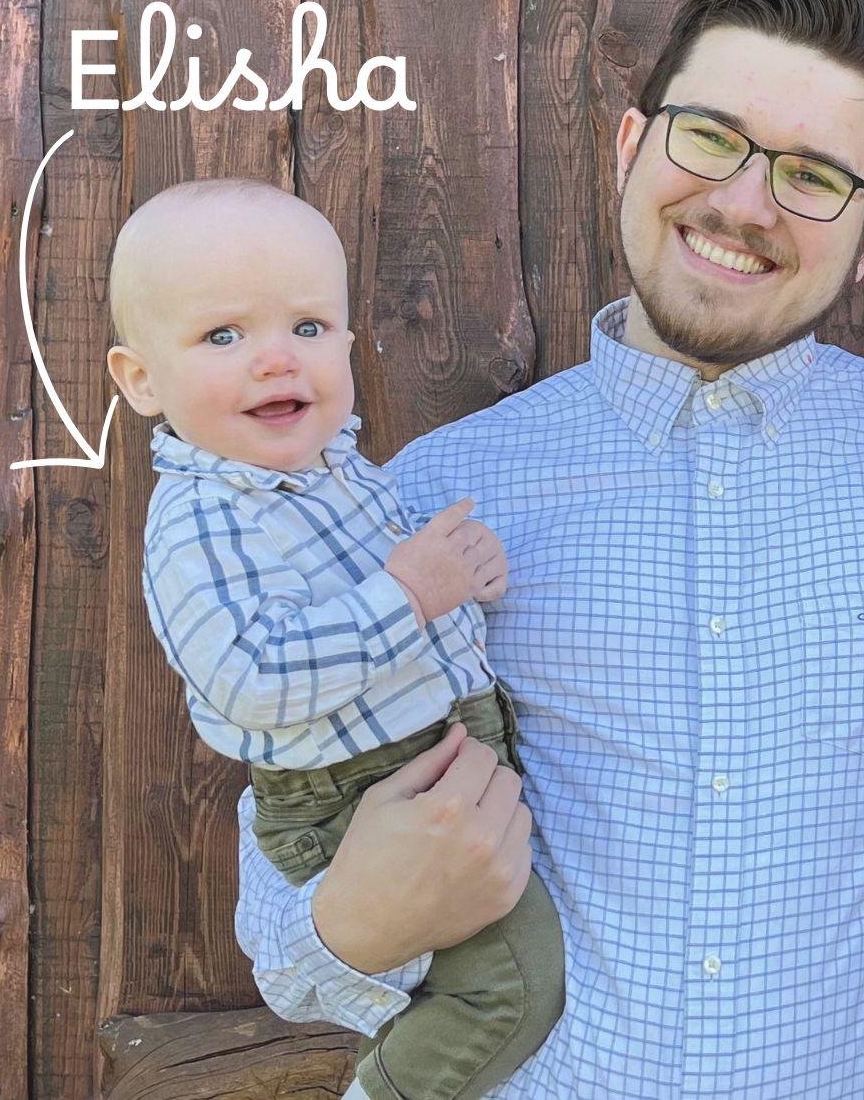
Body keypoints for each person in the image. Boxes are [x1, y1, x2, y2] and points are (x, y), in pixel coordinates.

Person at [233, 0, 864, 1097]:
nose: (746, 202)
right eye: (710, 136)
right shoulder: (440, 493)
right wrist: (356, 918)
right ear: (632, 146)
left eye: (813, 175)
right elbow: (288, 893)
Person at [106, 181, 562, 1100]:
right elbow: (255, 674)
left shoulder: (340, 473)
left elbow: (415, 601)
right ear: (142, 379)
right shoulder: (203, 517)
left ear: (348, 345)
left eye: (308, 327)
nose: (277, 359)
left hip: (429, 757)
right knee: (506, 992)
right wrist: (411, 593)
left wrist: (464, 577)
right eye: (223, 335)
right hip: (350, 792)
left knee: (497, 973)